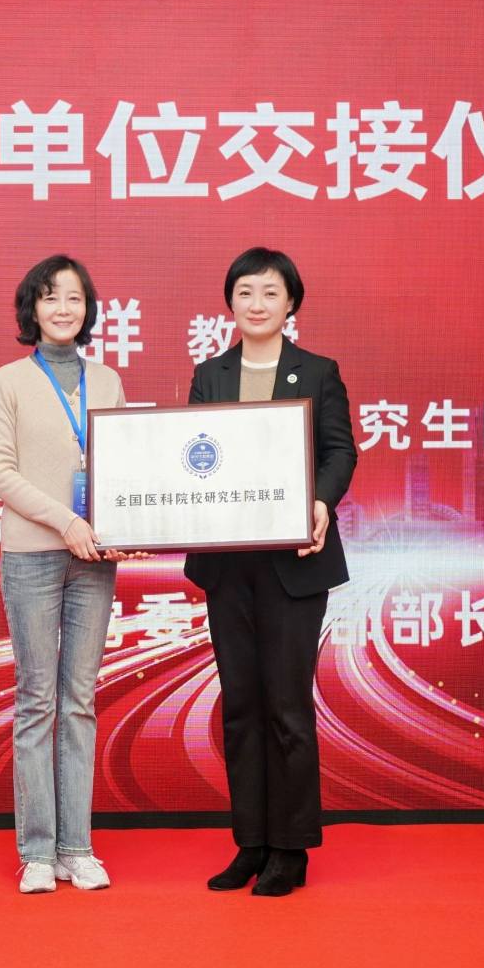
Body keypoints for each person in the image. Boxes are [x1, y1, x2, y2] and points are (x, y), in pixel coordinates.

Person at [184, 246, 357, 896]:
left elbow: (339, 451)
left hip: (294, 564)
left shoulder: (318, 372)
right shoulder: (210, 374)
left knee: (286, 706)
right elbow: (191, 461)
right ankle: (250, 843)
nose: (256, 304)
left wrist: (320, 503)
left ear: (291, 304)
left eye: (270, 293)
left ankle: (290, 848)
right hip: (228, 565)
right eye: (245, 293)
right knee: (240, 707)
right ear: (229, 302)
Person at [0, 254, 130, 894]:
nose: (63, 308)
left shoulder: (108, 380)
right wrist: (66, 522)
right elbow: (1, 472)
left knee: (79, 701)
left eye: (73, 297)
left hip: (94, 558)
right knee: (37, 699)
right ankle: (38, 852)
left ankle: (78, 847)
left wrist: (124, 530)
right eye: (50, 297)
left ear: (87, 308)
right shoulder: (9, 381)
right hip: (32, 556)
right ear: (32, 309)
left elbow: (124, 469)